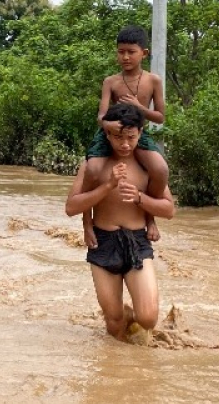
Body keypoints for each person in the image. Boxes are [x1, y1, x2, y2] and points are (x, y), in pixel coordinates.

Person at [65, 103, 175, 343]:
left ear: (140, 134)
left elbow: (169, 209)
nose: (124, 144)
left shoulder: (147, 166)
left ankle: (135, 329)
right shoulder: (94, 164)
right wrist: (107, 186)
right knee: (114, 324)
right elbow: (71, 207)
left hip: (137, 241)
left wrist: (139, 198)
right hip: (102, 242)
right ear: (107, 134)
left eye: (131, 137)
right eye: (117, 137)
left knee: (148, 318)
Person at [83, 25, 168, 250]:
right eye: (121, 51)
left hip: (136, 134)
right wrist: (109, 124)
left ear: (144, 53)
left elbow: (160, 117)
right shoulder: (111, 81)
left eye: (131, 51)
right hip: (109, 134)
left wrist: (140, 108)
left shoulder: (153, 81)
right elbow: (101, 115)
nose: (126, 56)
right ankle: (87, 223)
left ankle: (150, 218)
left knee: (160, 170)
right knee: (92, 170)